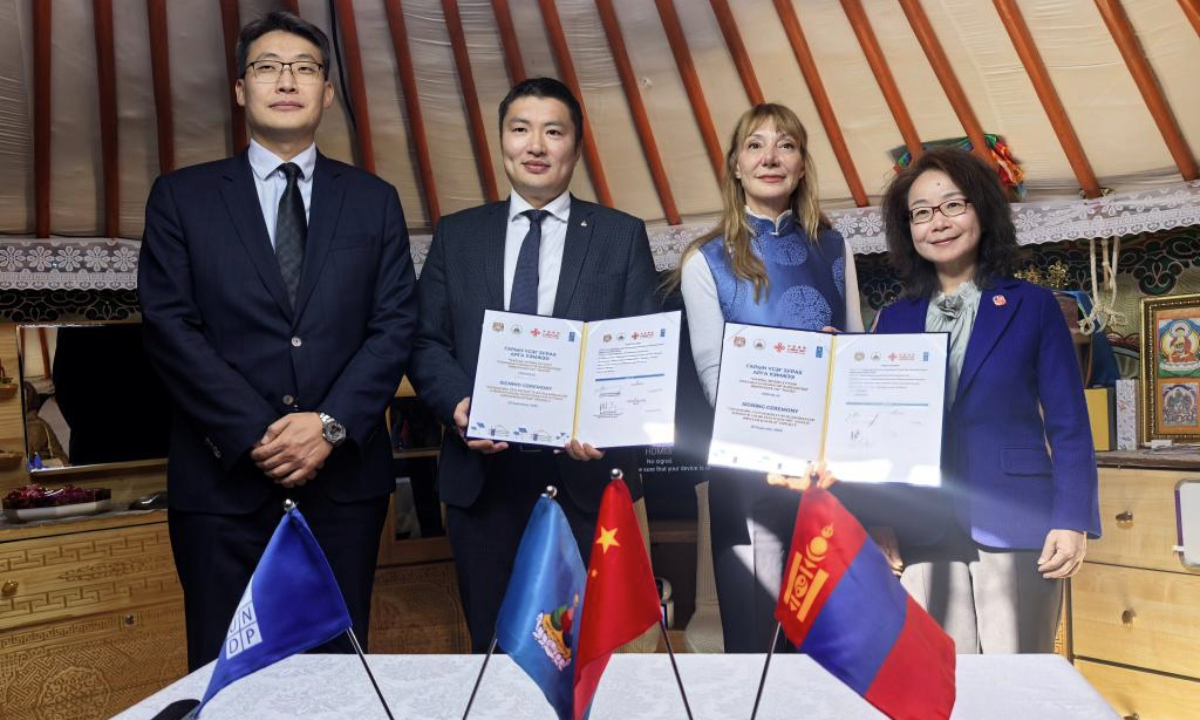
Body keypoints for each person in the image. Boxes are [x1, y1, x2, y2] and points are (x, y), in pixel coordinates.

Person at [138, 11, 416, 670]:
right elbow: (170, 327)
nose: (286, 81)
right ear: (241, 89)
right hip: (222, 490)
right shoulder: (181, 198)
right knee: (228, 677)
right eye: (267, 67)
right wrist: (256, 433)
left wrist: (328, 425)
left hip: (343, 489)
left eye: (305, 68)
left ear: (327, 92)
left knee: (337, 679)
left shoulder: (374, 200)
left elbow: (395, 324)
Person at [408, 77, 660, 652]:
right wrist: (459, 405)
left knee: (583, 657)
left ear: (577, 145)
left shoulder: (620, 236)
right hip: (483, 485)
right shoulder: (458, 235)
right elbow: (424, 341)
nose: (536, 146)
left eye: (554, 131)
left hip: (584, 481)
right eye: (520, 129)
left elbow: (640, 350)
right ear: (501, 140)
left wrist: (607, 424)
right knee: (493, 649)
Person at [873, 146, 1100, 653]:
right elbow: (882, 435)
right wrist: (879, 518)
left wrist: (1072, 519)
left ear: (982, 209)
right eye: (921, 213)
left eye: (953, 205)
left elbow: (1069, 424)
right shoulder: (893, 320)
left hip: (1015, 519)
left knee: (1017, 680)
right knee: (938, 679)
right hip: (919, 529)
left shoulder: (1034, 306)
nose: (938, 223)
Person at [671, 103, 864, 652]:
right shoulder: (705, 260)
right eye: (755, 145)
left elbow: (855, 351)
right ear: (735, 166)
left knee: (830, 647)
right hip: (750, 479)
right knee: (760, 647)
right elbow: (713, 376)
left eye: (786, 145)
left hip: (827, 477)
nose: (770, 157)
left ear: (801, 166)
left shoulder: (836, 247)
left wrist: (843, 359)